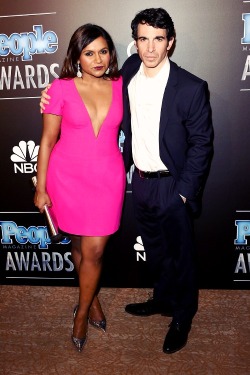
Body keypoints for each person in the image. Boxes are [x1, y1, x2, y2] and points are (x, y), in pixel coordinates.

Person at [40, 8, 213, 354]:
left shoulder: (190, 87)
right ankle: (161, 299)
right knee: (156, 251)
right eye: (143, 39)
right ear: (135, 44)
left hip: (170, 185)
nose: (150, 48)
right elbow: (62, 108)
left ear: (170, 42)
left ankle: (182, 316)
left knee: (179, 255)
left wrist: (183, 193)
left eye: (158, 39)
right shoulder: (128, 74)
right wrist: (49, 97)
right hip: (139, 182)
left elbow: (202, 143)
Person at [35, 23, 126, 353]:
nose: (98, 59)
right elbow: (46, 142)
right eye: (89, 53)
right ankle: (94, 301)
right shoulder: (59, 88)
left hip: (107, 179)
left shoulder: (121, 84)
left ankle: (82, 312)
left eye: (103, 51)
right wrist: (41, 188)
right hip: (67, 179)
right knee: (79, 244)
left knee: (95, 250)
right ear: (77, 57)